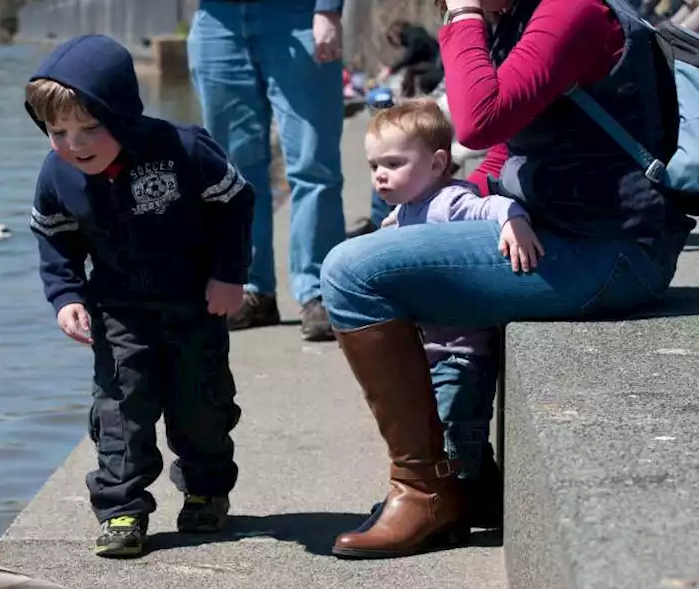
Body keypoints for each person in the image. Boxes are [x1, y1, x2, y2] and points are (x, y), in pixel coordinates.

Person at [320, 0, 693, 559]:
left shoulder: (572, 12)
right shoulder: (520, 14)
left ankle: (424, 492)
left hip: (609, 250)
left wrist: (464, 19)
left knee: (352, 273)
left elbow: (477, 120)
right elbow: (508, 142)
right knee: (392, 252)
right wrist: (473, 200)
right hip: (565, 230)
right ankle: (468, 474)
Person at [24, 34, 255, 559]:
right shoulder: (58, 173)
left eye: (89, 128)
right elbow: (54, 238)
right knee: (121, 406)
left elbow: (237, 201)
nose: (74, 144)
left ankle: (205, 488)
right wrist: (66, 296)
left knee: (201, 403)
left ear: (123, 115)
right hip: (118, 310)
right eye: (57, 131)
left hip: (194, 302)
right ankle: (122, 508)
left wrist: (228, 274)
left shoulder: (182, 149)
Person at [368, 98, 542, 531]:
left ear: (437, 163)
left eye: (393, 162)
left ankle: (451, 504)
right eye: (374, 166)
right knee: (457, 433)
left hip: (461, 352)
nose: (380, 175)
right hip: (430, 348)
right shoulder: (404, 211)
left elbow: (491, 205)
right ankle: (481, 498)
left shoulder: (449, 201)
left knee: (453, 430)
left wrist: (513, 221)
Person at [186, 0, 346, 341]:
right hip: (218, 20)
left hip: (298, 15)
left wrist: (328, 9)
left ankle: (318, 291)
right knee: (231, 172)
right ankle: (251, 289)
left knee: (313, 163)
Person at [377, 20, 445, 98]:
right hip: (436, 63)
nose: (396, 44)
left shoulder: (415, 37)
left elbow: (408, 58)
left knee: (411, 72)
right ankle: (406, 96)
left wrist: (390, 69)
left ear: (395, 35)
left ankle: (407, 97)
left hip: (438, 66)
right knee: (410, 71)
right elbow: (412, 59)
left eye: (393, 40)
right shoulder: (415, 35)